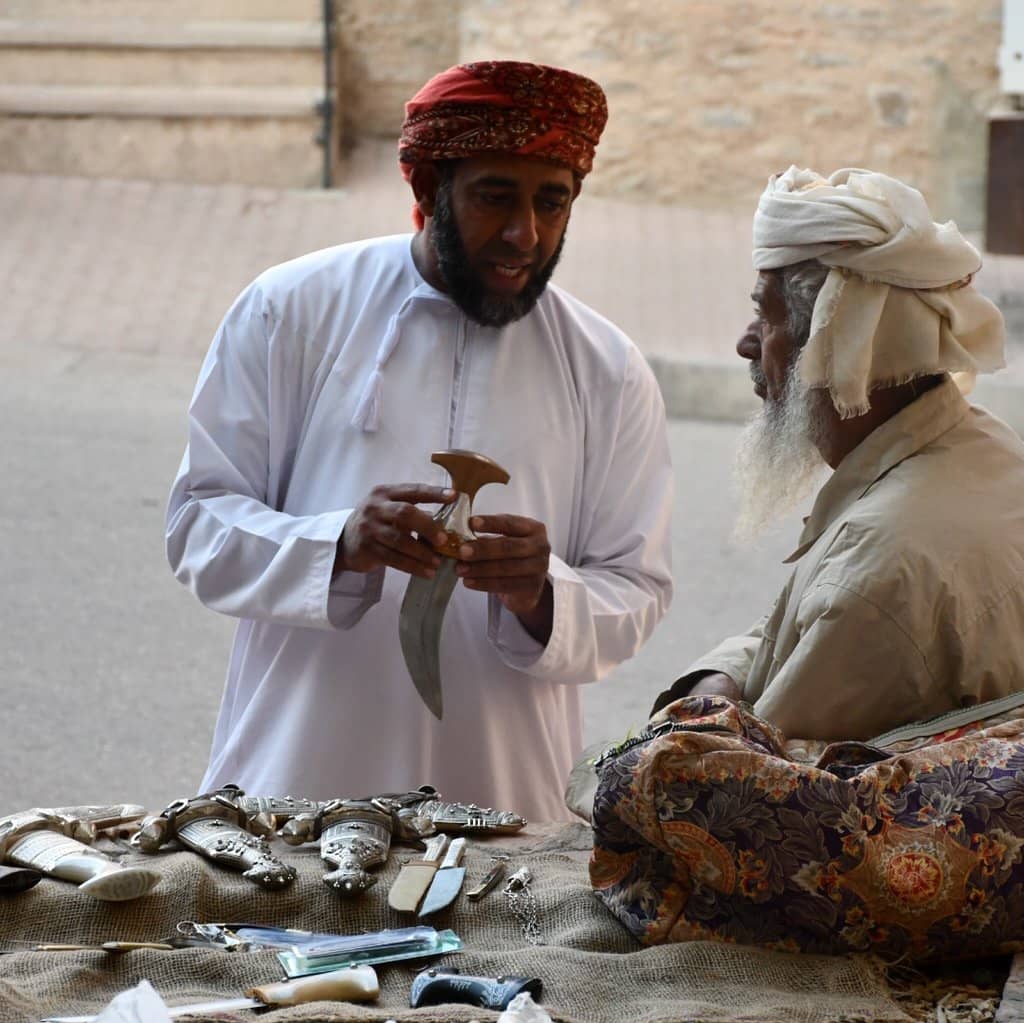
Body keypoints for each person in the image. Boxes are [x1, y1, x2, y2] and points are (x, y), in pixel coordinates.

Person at [166, 61, 673, 821]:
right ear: (430, 188)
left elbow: (637, 589)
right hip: (293, 770)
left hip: (503, 791)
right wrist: (337, 542)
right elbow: (198, 524)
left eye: (552, 201)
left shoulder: (607, 368)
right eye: (494, 195)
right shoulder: (291, 309)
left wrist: (543, 593)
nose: (523, 233)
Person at [652, 166, 1024, 742]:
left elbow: (751, 783)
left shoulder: (880, 565)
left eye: (767, 315)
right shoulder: (982, 444)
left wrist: (695, 723)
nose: (747, 342)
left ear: (833, 344)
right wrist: (718, 677)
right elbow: (802, 630)